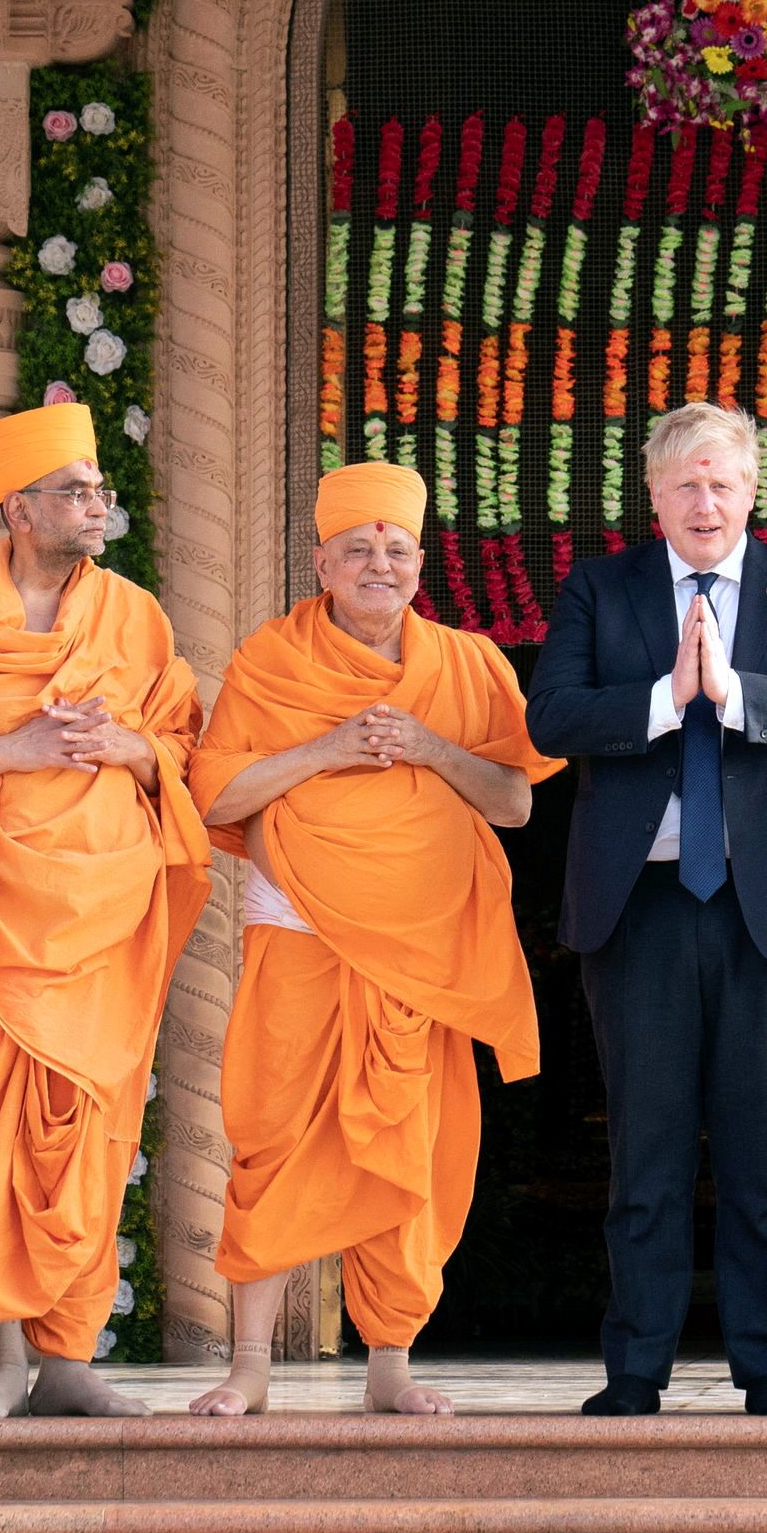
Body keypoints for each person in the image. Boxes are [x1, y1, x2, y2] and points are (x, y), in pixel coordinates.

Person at [525, 402, 767, 1417]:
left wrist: (730, 693)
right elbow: (551, 715)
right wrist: (660, 696)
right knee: (646, 1148)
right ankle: (633, 1371)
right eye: (684, 484)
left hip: (765, 907)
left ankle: (766, 1370)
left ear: (752, 492)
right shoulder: (602, 588)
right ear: (653, 498)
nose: (704, 501)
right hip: (639, 906)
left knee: (758, 1150)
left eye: (721, 482)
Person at [183, 462, 559, 1418]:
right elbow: (215, 796)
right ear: (322, 563)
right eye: (357, 550)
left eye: (395, 549)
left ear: (421, 563)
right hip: (301, 931)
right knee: (271, 1139)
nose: (377, 564)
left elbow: (515, 802)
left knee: (410, 1146)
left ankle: (389, 1364)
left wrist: (433, 749)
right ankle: (252, 1365)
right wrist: (330, 748)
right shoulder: (272, 661)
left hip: (424, 951)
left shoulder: (469, 665)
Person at [0, 402, 209, 1419]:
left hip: (105, 913)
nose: (96, 507)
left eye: (99, 490)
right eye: (74, 492)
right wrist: (6, 752)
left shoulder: (134, 617)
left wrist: (133, 752)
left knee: (90, 1133)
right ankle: (5, 1359)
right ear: (19, 509)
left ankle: (67, 1358)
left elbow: (185, 748)